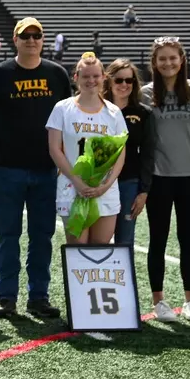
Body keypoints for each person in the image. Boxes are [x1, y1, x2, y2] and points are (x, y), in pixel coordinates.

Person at [0, 18, 72, 320]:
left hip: (46, 169)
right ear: (15, 39)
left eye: (37, 35)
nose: (32, 40)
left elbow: (66, 117)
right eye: (26, 36)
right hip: (8, 168)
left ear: (43, 40)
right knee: (8, 234)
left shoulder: (56, 74)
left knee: (42, 235)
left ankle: (38, 296)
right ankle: (7, 297)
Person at [139, 38, 190, 321]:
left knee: (188, 239)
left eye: (173, 58)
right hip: (158, 177)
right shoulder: (145, 93)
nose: (168, 63)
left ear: (182, 59)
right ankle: (159, 302)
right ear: (154, 63)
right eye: (162, 59)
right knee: (157, 239)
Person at [47, 54, 128, 245]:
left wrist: (105, 185)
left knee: (101, 248)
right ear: (76, 78)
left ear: (103, 78)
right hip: (72, 188)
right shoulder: (62, 108)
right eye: (85, 76)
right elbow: (54, 148)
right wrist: (77, 181)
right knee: (77, 250)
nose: (91, 80)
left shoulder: (113, 112)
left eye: (95, 76)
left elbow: (120, 153)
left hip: (104, 190)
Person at [104, 57, 151, 249]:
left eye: (129, 80)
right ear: (109, 81)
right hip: (99, 183)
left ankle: (124, 279)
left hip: (128, 182)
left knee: (125, 240)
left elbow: (148, 153)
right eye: (119, 80)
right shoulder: (97, 109)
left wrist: (144, 191)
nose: (124, 85)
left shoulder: (143, 113)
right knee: (99, 239)